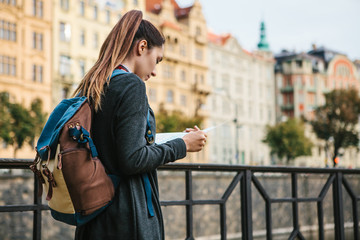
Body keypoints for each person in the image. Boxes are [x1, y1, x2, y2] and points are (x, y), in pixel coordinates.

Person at [73, 10, 207, 240]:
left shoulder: (95, 82)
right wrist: (182, 146)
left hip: (94, 214)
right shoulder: (131, 86)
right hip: (126, 217)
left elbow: (113, 142)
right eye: (157, 60)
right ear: (142, 47)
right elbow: (132, 159)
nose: (155, 71)